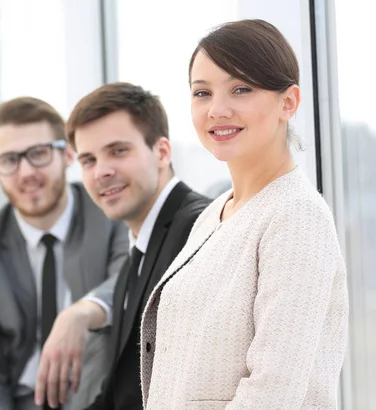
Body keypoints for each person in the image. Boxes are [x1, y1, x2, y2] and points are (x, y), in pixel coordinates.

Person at [139, 19, 348, 409]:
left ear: (289, 102)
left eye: (241, 89)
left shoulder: (296, 217)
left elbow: (274, 391)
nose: (217, 110)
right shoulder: (217, 212)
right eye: (202, 93)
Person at [34, 82, 210, 410]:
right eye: (88, 160)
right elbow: (121, 394)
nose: (101, 172)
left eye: (118, 151)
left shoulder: (198, 230)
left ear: (162, 152)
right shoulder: (135, 257)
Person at [0, 97, 129, 410]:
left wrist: (81, 313)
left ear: (67, 154)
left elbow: (127, 283)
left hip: (98, 396)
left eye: (38, 154)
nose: (25, 172)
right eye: (9, 160)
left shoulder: (109, 214)